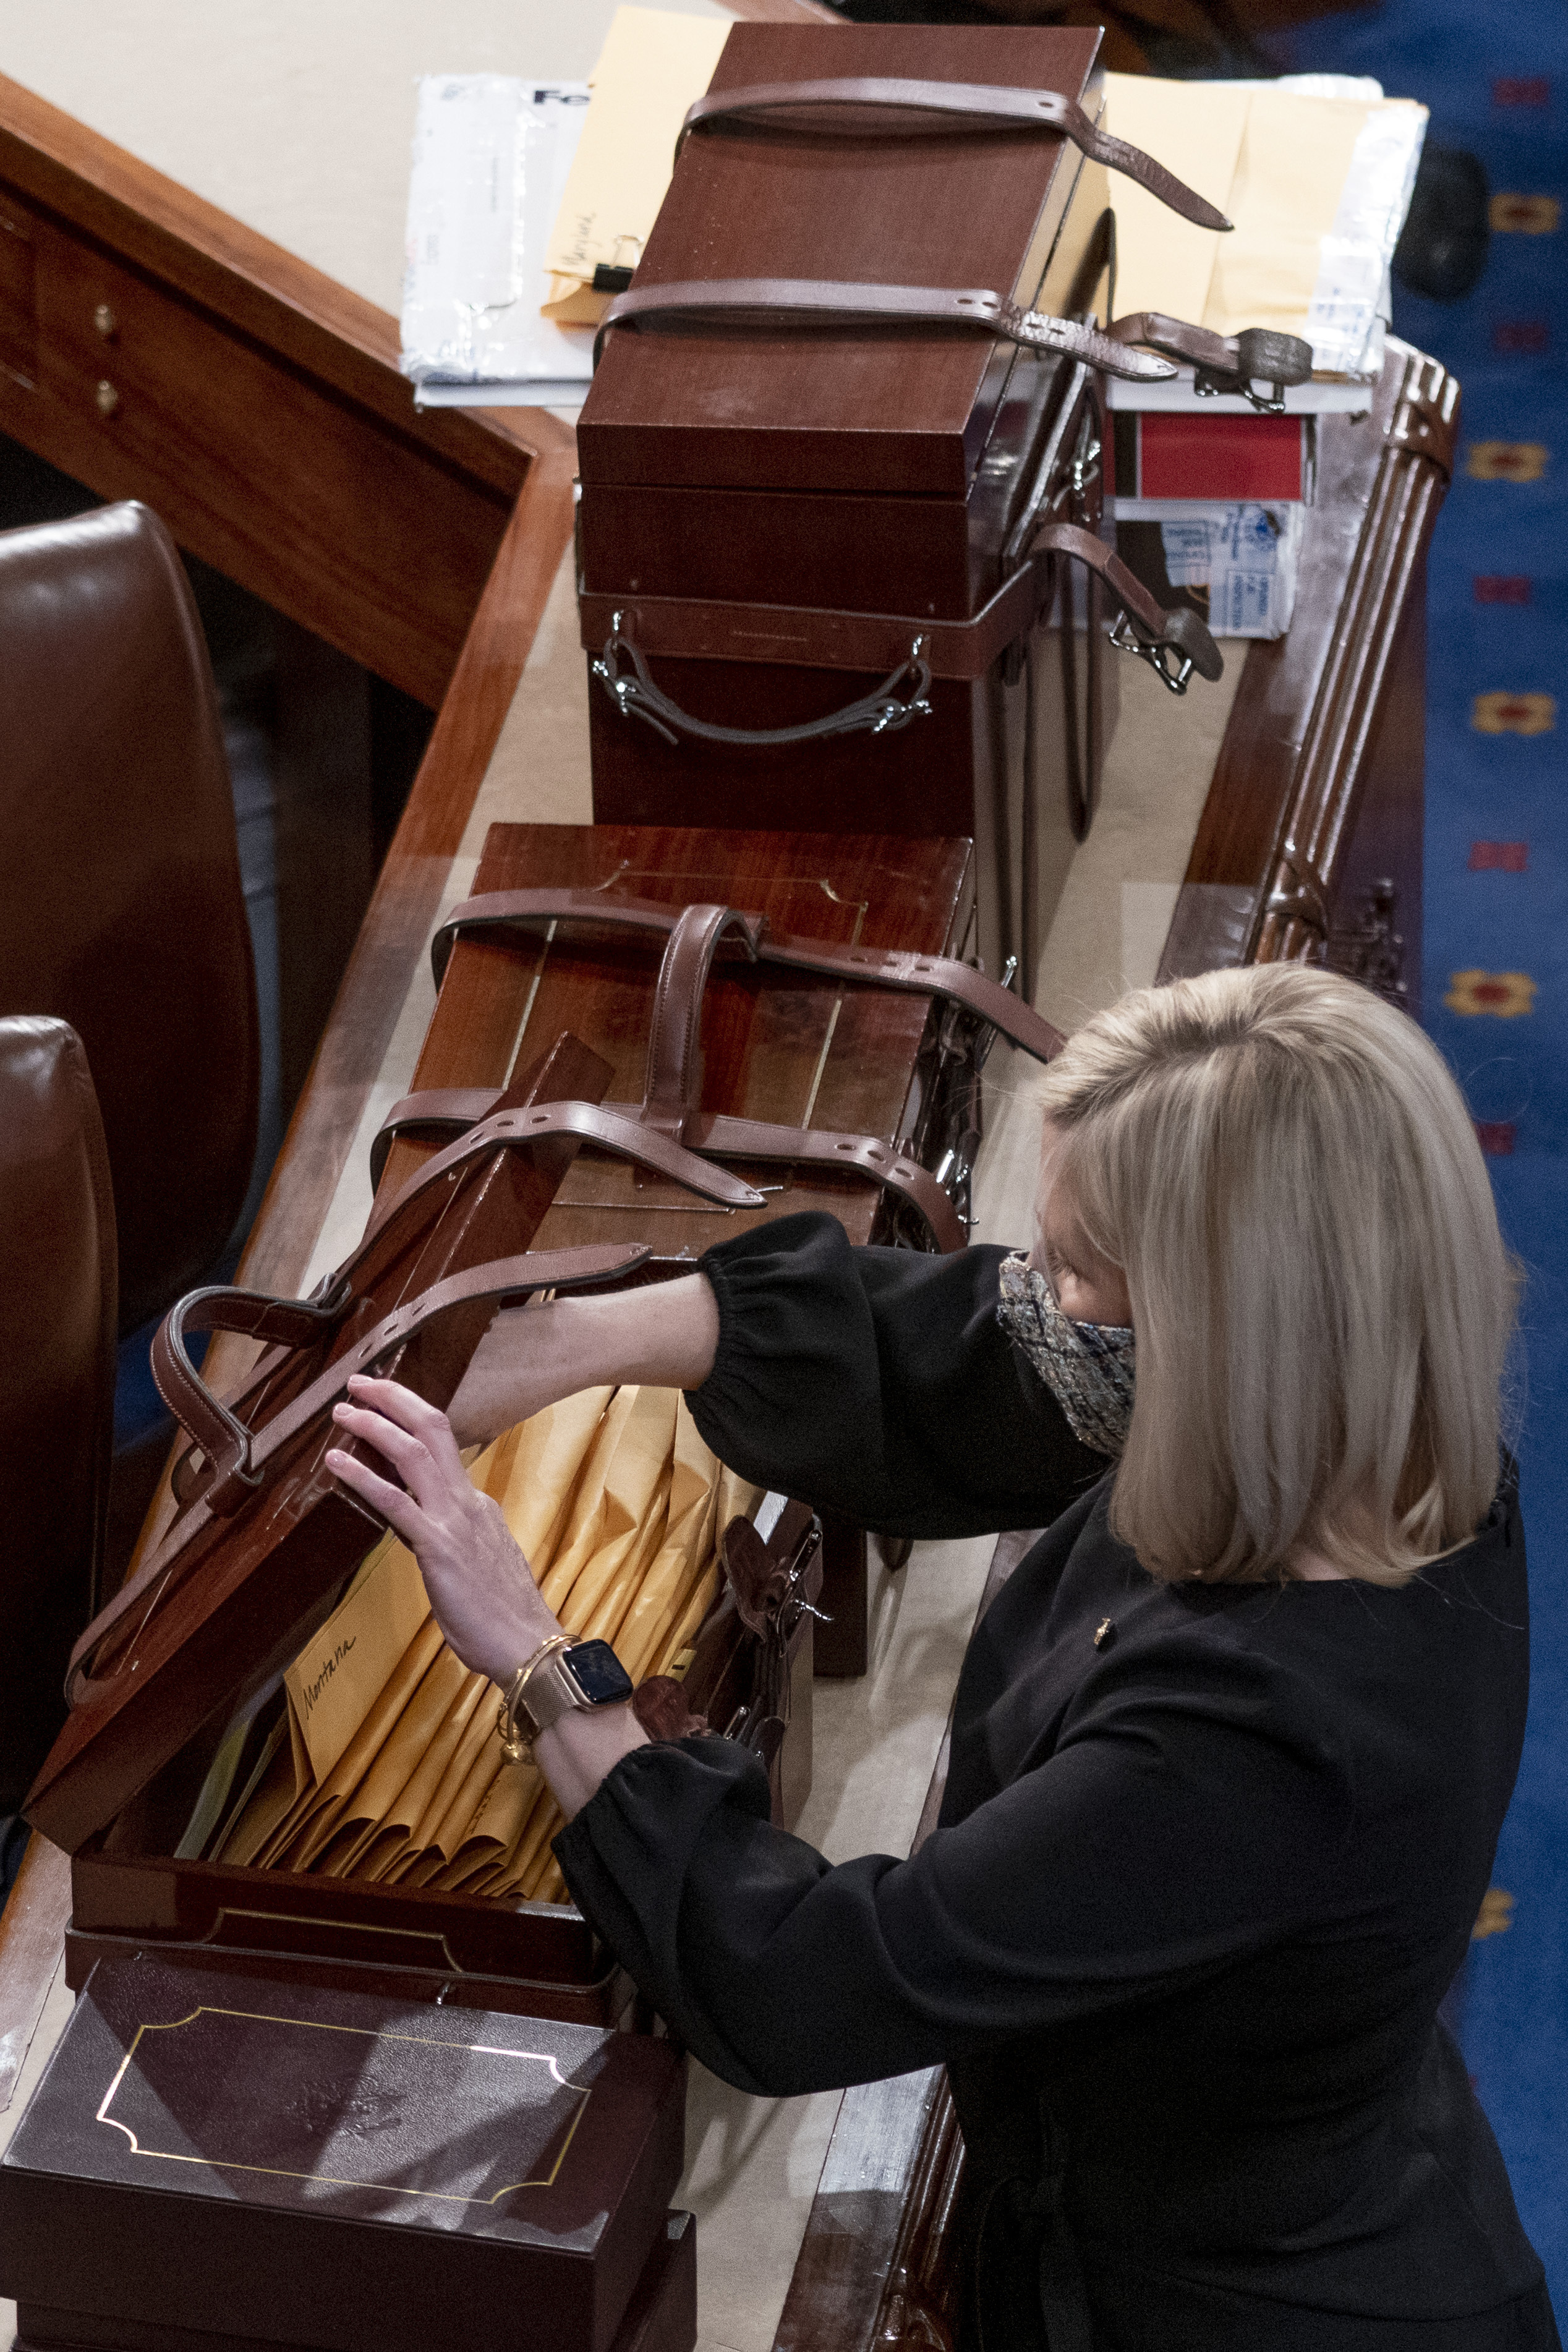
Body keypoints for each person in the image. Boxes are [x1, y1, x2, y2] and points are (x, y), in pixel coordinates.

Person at [326, 963, 1558, 2352]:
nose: (1042, 1291)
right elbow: (986, 1356)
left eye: (1082, 1266)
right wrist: (570, 1343)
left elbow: (810, 1981)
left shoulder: (1253, 1739)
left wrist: (542, 1656)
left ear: (1221, 1333)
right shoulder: (1357, 1424)